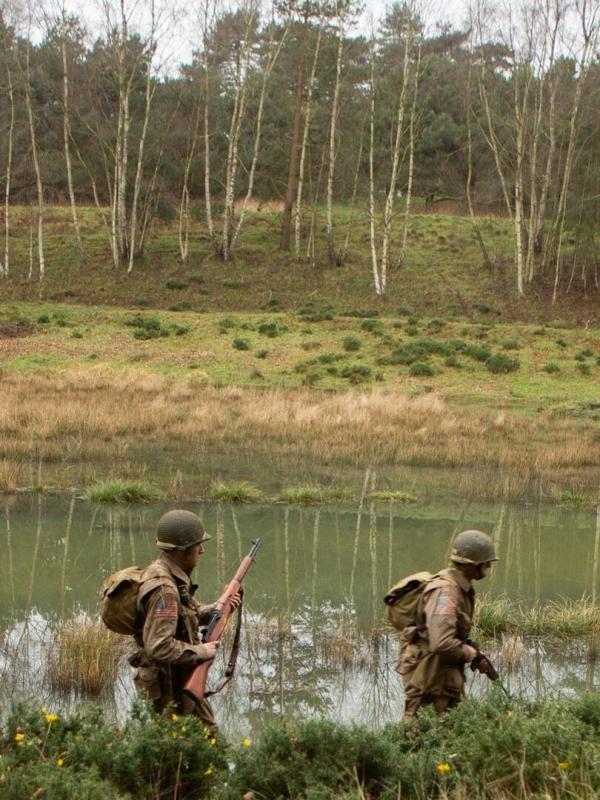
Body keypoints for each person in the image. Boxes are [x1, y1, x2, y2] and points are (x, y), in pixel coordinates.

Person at [128, 509, 240, 728]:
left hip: (181, 678)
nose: (202, 551)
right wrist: (202, 651)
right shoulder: (165, 591)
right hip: (170, 686)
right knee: (182, 745)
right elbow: (159, 646)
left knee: (200, 741)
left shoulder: (171, 575)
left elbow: (188, 616)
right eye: (198, 545)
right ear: (182, 550)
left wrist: (221, 608)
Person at [398, 529, 498, 717]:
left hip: (441, 674)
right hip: (428, 676)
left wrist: (475, 655)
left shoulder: (458, 586)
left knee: (448, 730)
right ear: (472, 564)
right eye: (486, 563)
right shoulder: (446, 592)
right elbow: (441, 642)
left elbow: (450, 634)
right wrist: (467, 653)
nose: (488, 567)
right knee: (417, 733)